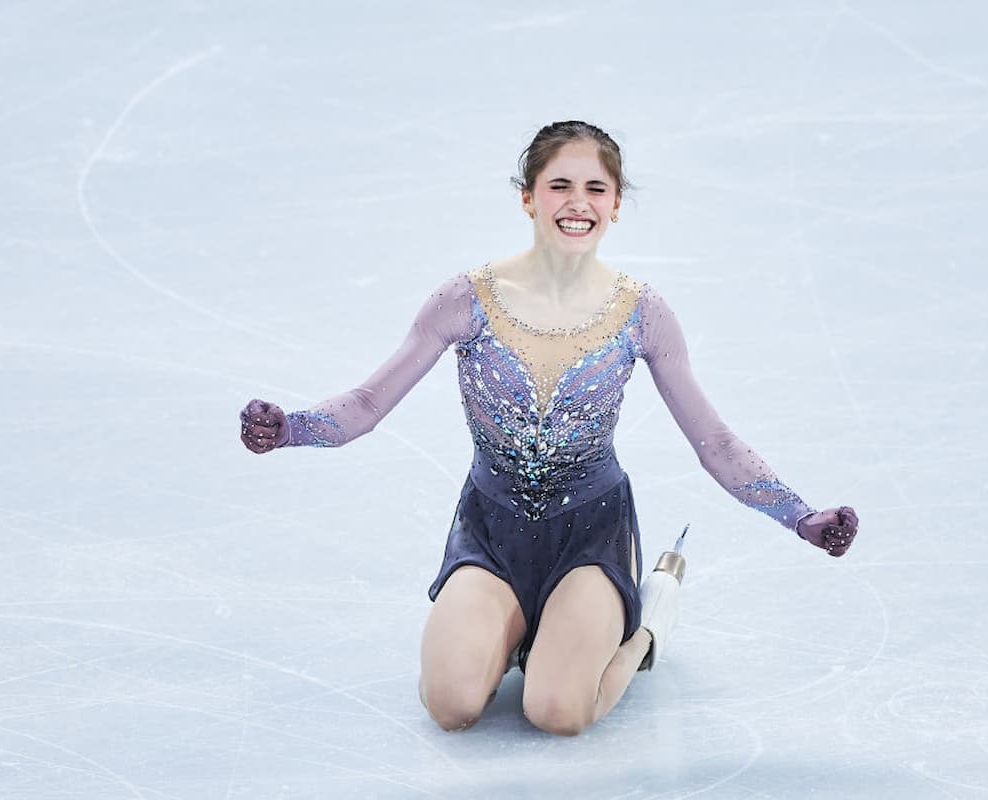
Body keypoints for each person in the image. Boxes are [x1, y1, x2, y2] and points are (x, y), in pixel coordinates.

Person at [239, 120, 859, 736]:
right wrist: (289, 427)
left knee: (557, 713)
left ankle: (644, 630)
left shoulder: (643, 314)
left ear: (616, 204)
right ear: (529, 197)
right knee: (451, 707)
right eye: (560, 185)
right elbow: (369, 403)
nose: (577, 203)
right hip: (492, 531)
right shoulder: (467, 299)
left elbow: (715, 442)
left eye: (595, 188)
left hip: (590, 534)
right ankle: (517, 635)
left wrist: (800, 516)